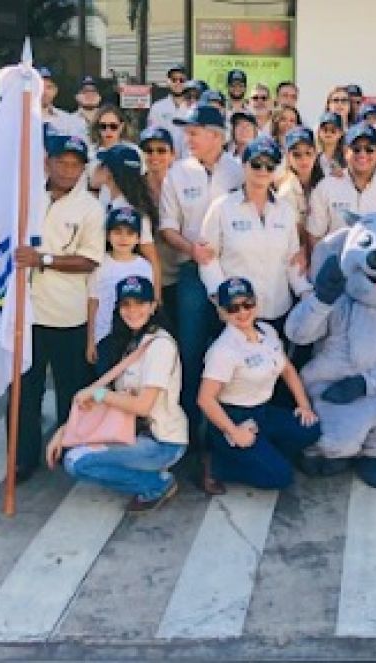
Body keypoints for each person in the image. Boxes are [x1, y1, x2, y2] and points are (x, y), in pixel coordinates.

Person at [158, 105, 245, 490]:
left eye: (195, 132)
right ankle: (193, 440)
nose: (188, 139)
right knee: (192, 354)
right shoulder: (177, 173)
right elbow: (167, 227)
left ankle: (224, 440)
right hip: (194, 274)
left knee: (231, 352)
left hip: (235, 273)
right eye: (187, 132)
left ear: (217, 135)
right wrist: (192, 249)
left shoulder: (239, 168)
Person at [49, 275, 187, 512]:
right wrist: (65, 430)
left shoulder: (160, 346)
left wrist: (100, 394)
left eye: (140, 303)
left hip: (161, 441)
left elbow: (143, 406)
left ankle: (156, 484)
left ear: (153, 306)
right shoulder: (132, 342)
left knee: (76, 462)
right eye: (126, 304)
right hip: (131, 431)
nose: (133, 311)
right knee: (70, 452)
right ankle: (142, 470)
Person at [12, 132, 105, 483]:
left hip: (68, 315)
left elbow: (90, 260)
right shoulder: (26, 196)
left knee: (71, 390)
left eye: (75, 164)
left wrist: (44, 259)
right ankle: (22, 457)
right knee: (24, 392)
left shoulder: (91, 208)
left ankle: (70, 448)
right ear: (47, 162)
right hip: (26, 313)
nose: (68, 169)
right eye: (62, 162)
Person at [199, 277, 320, 490]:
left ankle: (260, 453)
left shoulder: (267, 331)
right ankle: (216, 464)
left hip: (263, 411)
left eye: (247, 304)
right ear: (223, 312)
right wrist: (234, 432)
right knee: (281, 477)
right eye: (233, 307)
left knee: (310, 428)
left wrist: (304, 405)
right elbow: (205, 399)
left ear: (256, 303)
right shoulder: (223, 350)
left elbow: (287, 370)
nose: (242, 312)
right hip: (235, 417)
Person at [197, 136, 311, 334]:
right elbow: (208, 259)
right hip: (235, 313)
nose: (263, 171)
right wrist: (220, 298)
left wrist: (306, 292)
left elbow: (291, 260)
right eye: (256, 164)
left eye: (270, 166)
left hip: (277, 311)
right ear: (244, 164)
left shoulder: (286, 210)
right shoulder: (221, 207)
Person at [307, 123, 376, 241]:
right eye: (356, 149)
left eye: (369, 149)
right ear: (345, 151)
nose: (363, 154)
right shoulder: (326, 187)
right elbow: (315, 235)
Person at [87, 208, 154, 374]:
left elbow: (149, 303)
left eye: (130, 233)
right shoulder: (100, 264)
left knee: (129, 380)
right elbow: (93, 301)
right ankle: (103, 399)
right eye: (117, 232)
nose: (123, 238)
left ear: (138, 238)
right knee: (103, 382)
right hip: (105, 336)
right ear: (108, 235)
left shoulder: (144, 266)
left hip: (133, 335)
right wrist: (91, 340)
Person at [92, 143, 163, 294]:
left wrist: (156, 298)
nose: (96, 169)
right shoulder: (106, 196)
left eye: (101, 165)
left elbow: (151, 256)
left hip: (128, 283)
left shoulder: (133, 210)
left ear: (109, 172)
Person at [138, 127, 180, 323]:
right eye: (149, 150)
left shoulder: (183, 185)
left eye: (161, 150)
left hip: (177, 275)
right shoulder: (134, 186)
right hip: (144, 275)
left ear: (173, 154)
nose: (155, 155)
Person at [276, 126, 325, 264]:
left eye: (308, 153)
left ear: (316, 154)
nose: (304, 159)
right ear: (287, 156)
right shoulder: (286, 191)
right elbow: (298, 235)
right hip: (295, 258)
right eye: (297, 154)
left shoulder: (323, 182)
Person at [148, 64, 191, 150]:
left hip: (189, 159)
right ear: (168, 82)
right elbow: (152, 135)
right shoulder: (157, 108)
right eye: (174, 80)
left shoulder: (194, 108)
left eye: (182, 80)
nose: (178, 83)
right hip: (165, 159)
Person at [39, 66, 87, 138]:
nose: (44, 92)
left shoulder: (69, 121)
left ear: (55, 91)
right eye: (39, 87)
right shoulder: (19, 118)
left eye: (49, 87)